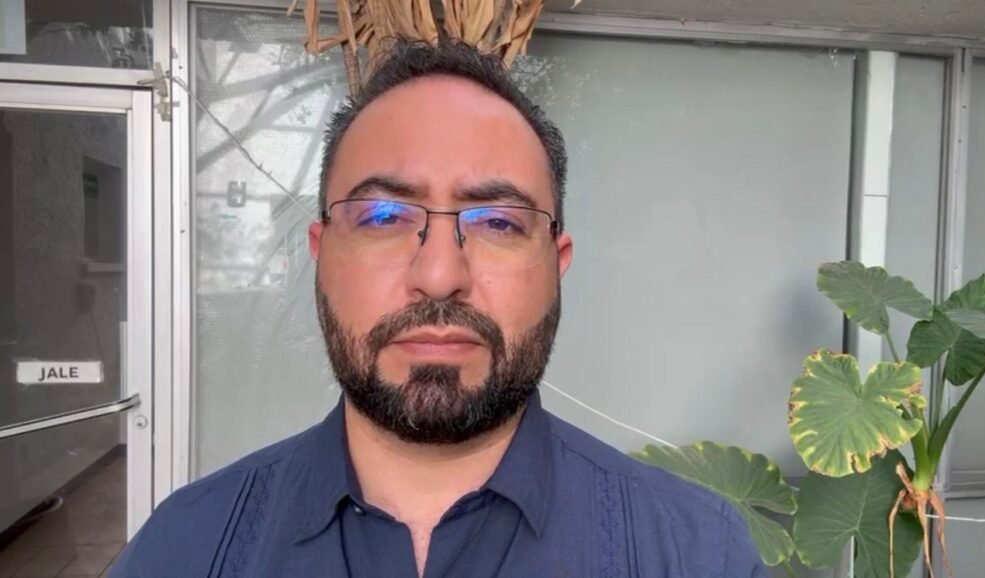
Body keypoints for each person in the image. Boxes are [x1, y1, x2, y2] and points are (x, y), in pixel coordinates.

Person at [110, 39, 766, 578]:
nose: (440, 276)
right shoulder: (185, 548)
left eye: (498, 222)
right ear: (321, 253)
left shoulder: (696, 554)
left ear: (557, 263)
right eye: (383, 216)